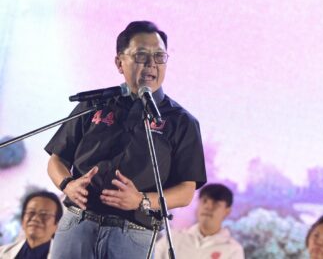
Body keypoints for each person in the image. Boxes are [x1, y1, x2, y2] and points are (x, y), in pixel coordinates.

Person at [44, 20, 207, 259]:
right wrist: (67, 184)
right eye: (141, 55)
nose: (151, 64)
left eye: (159, 56)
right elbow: (56, 159)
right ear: (120, 62)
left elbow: (186, 191)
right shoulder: (94, 104)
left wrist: (141, 200)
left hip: (132, 234)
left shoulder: (181, 121)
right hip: (77, 223)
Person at [154, 183, 243, 259]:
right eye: (204, 201)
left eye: (216, 203)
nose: (208, 207)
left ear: (227, 211)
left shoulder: (233, 249)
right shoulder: (172, 239)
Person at [0, 191, 62, 259]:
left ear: (56, 225)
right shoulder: (2, 253)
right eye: (31, 212)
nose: (35, 218)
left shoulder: (65, 255)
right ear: (22, 221)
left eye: (44, 214)